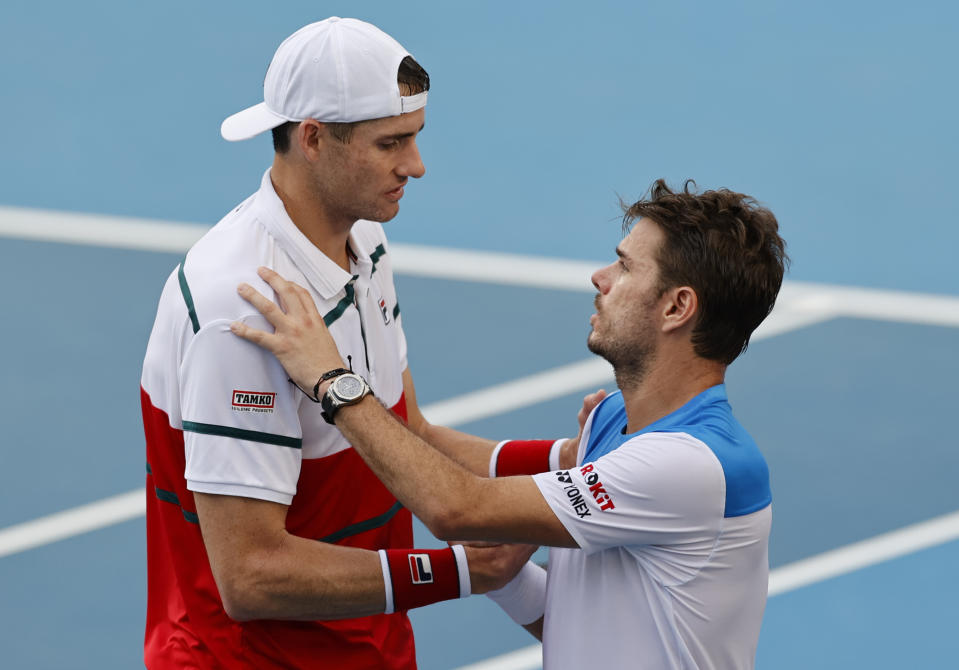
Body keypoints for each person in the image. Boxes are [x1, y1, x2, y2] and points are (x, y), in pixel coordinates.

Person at [140, 16, 583, 669]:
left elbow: (406, 438)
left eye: (415, 137)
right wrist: (460, 572)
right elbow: (251, 576)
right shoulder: (237, 310)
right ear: (313, 138)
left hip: (368, 645)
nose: (416, 165)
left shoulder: (365, 241)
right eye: (391, 143)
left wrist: (569, 462)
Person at [230, 179, 789, 669]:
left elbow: (456, 508)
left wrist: (331, 379)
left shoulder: (691, 466)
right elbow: (579, 626)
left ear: (677, 307)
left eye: (625, 266)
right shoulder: (613, 420)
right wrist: (502, 571)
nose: (601, 276)